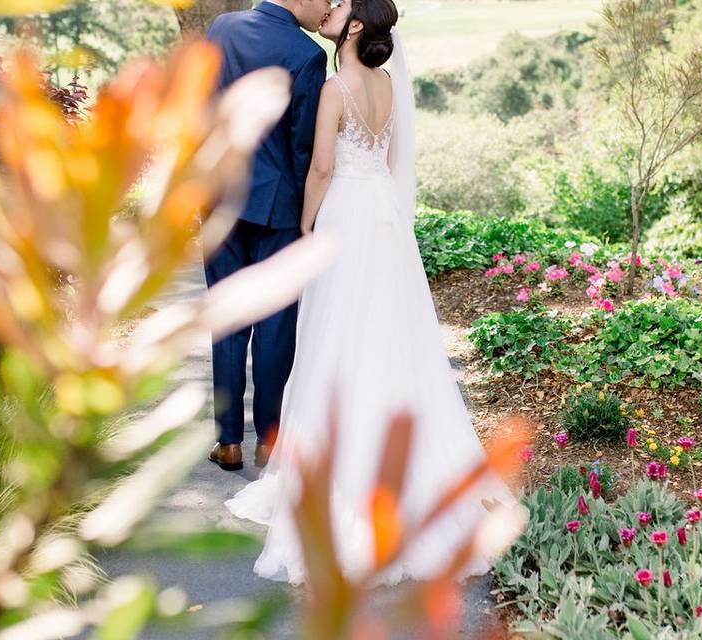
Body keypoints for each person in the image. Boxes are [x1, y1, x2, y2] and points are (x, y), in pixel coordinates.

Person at [226, 0, 517, 585]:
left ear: (356, 26)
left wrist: (307, 225)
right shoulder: (387, 82)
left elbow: (323, 170)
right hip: (383, 214)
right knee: (390, 329)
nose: (330, 9)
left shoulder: (336, 86)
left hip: (346, 215)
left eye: (340, 6)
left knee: (334, 334)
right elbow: (386, 158)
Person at [204, 0, 331, 471]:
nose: (327, 7)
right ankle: (269, 440)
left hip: (218, 197)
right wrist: (308, 218)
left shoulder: (222, 28)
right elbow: (302, 146)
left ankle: (228, 440)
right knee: (277, 324)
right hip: (277, 207)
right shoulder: (307, 54)